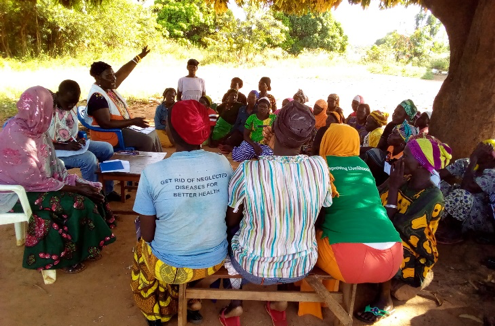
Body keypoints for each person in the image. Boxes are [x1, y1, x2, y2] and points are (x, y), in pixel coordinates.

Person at [219, 101, 333, 326]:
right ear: (309, 138)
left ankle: (235, 305)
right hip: (301, 265)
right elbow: (320, 214)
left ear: (273, 129)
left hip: (252, 267)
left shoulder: (249, 169)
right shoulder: (319, 167)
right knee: (290, 224)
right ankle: (279, 304)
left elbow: (231, 218)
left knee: (231, 228)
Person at [130, 100, 233, 326]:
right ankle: (189, 301)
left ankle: (156, 313)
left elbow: (148, 236)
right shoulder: (222, 163)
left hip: (170, 266)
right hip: (213, 261)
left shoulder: (153, 173)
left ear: (169, 132)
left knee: (141, 249)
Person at [0, 86, 116, 274]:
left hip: (39, 185)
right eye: (50, 108)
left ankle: (86, 248)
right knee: (76, 202)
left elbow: (53, 163)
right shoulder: (16, 135)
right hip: (17, 194)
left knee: (90, 190)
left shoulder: (36, 128)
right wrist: (75, 189)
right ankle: (69, 258)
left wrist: (73, 182)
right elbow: (32, 181)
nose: (52, 112)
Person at [298, 123, 403, 320]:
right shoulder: (363, 166)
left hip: (350, 262)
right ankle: (383, 299)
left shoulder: (320, 165)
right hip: (393, 259)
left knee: (304, 235)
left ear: (328, 140)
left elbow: (312, 215)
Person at [355, 136, 450, 323]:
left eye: (406, 156)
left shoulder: (432, 197)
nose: (400, 159)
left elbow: (393, 227)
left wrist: (393, 190)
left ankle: (385, 300)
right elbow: (373, 199)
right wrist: (390, 183)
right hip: (391, 237)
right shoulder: (404, 182)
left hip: (415, 254)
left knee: (385, 242)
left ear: (422, 164)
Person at [48, 80, 119, 201]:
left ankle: (107, 191)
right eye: (67, 102)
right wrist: (65, 146)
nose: (70, 106)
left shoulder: (70, 108)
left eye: (74, 103)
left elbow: (70, 130)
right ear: (58, 94)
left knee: (106, 148)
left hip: (70, 145)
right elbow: (38, 142)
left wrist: (79, 139)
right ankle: (91, 197)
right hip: (52, 152)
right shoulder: (46, 109)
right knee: (89, 159)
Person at [86, 47, 162, 152]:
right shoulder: (97, 97)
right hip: (110, 134)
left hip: (121, 129)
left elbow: (122, 73)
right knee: (146, 141)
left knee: (152, 132)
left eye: (113, 74)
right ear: (98, 78)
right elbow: (105, 124)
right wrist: (133, 121)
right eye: (109, 76)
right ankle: (145, 167)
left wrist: (139, 57)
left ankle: (157, 164)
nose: (113, 78)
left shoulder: (107, 87)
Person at [436, 140, 495, 244]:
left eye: (479, 151)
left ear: (490, 157)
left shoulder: (492, 174)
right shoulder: (466, 163)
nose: (475, 152)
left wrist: (474, 160)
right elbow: (438, 175)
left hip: (476, 217)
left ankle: (455, 232)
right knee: (435, 184)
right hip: (456, 205)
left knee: (462, 196)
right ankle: (441, 220)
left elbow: (466, 187)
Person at [364, 121, 419, 186]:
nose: (390, 135)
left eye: (394, 134)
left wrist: (379, 189)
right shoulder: (390, 148)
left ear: (402, 143)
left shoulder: (403, 160)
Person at [231, 97, 275, 162]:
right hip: (252, 143)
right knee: (237, 157)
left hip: (266, 145)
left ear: (268, 109)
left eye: (265, 107)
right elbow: (245, 135)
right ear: (257, 107)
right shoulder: (252, 118)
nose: (262, 108)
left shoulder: (274, 118)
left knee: (267, 160)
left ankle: (254, 155)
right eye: (260, 106)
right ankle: (236, 149)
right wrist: (255, 146)